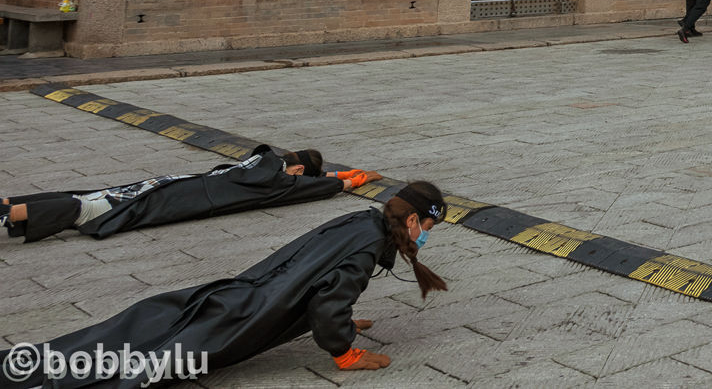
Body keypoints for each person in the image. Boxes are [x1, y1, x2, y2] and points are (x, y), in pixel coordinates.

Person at [23, 181, 447, 383]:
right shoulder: (366, 248)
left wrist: (343, 319)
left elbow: (319, 278)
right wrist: (343, 349)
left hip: (231, 297)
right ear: (412, 220)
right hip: (238, 322)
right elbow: (327, 301)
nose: (425, 235)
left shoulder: (361, 222)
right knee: (128, 370)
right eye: (427, 226)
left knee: (122, 334)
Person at [4, 147, 370, 244]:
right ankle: (6, 214)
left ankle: (8, 206)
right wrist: (346, 183)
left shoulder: (257, 163)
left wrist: (336, 175)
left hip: (162, 185)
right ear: (299, 172)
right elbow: (299, 188)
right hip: (163, 200)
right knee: (84, 209)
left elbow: (300, 178)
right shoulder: (272, 180)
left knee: (93, 198)